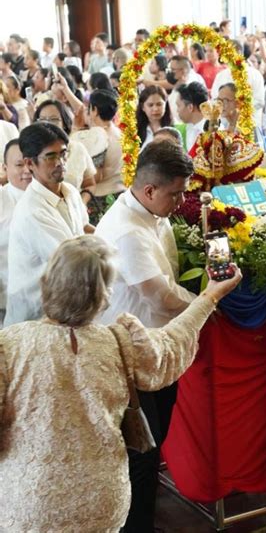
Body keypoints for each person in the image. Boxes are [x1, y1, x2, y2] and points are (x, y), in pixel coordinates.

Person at [0, 234, 241, 533]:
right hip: (103, 498)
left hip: (29, 503)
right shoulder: (120, 342)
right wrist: (211, 296)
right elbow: (172, 342)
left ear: (47, 281)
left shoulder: (8, 346)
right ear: (104, 296)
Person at [95, 141, 217, 531]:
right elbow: (160, 294)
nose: (180, 200)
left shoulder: (151, 210)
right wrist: (208, 301)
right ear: (149, 190)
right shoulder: (128, 230)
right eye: (176, 192)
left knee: (154, 441)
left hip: (159, 346)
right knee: (141, 454)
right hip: (132, 354)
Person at [5, 123, 92, 326]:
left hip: (62, 306)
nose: (60, 162)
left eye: (63, 154)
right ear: (30, 163)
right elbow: (72, 261)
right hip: (33, 317)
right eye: (51, 156)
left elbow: (85, 229)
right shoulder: (32, 211)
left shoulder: (69, 191)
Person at [34, 99, 96, 198]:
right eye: (42, 119)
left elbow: (89, 184)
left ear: (64, 123)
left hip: (74, 209)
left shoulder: (78, 149)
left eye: (54, 119)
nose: (47, 124)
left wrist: (82, 203)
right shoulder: (31, 152)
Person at [0, 139, 32, 322]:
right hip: (6, 297)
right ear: (5, 168)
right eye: (19, 165)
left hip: (46, 298)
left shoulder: (54, 194)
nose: (27, 170)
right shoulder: (2, 199)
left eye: (30, 163)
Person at [86, 89, 125, 224]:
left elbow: (96, 175)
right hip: (120, 193)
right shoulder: (120, 133)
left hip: (100, 199)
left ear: (95, 110)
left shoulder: (97, 136)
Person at [211, 41, 265, 128]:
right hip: (225, 125)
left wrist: (238, 110)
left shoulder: (255, 75)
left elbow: (259, 101)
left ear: (239, 53)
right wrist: (225, 109)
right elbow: (214, 98)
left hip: (248, 125)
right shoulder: (221, 75)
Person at [175, 81, 209, 152]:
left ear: (190, 107)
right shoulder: (180, 130)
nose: (177, 111)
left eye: (178, 106)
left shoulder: (215, 131)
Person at [136, 85, 172, 150]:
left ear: (165, 105)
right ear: (143, 107)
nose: (155, 109)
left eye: (159, 104)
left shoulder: (175, 128)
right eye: (150, 105)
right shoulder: (135, 130)